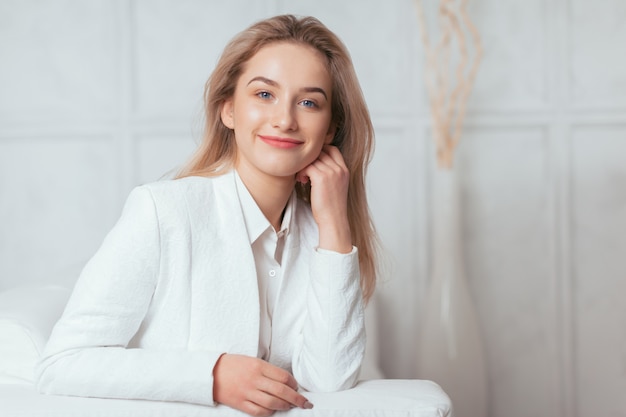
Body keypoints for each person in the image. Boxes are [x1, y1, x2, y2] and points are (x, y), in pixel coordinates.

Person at [36, 14, 379, 417]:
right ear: (228, 110)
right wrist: (211, 374)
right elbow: (62, 363)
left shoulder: (323, 237)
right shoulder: (162, 212)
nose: (285, 119)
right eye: (264, 95)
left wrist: (335, 225)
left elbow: (330, 381)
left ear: (331, 128)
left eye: (308, 102)